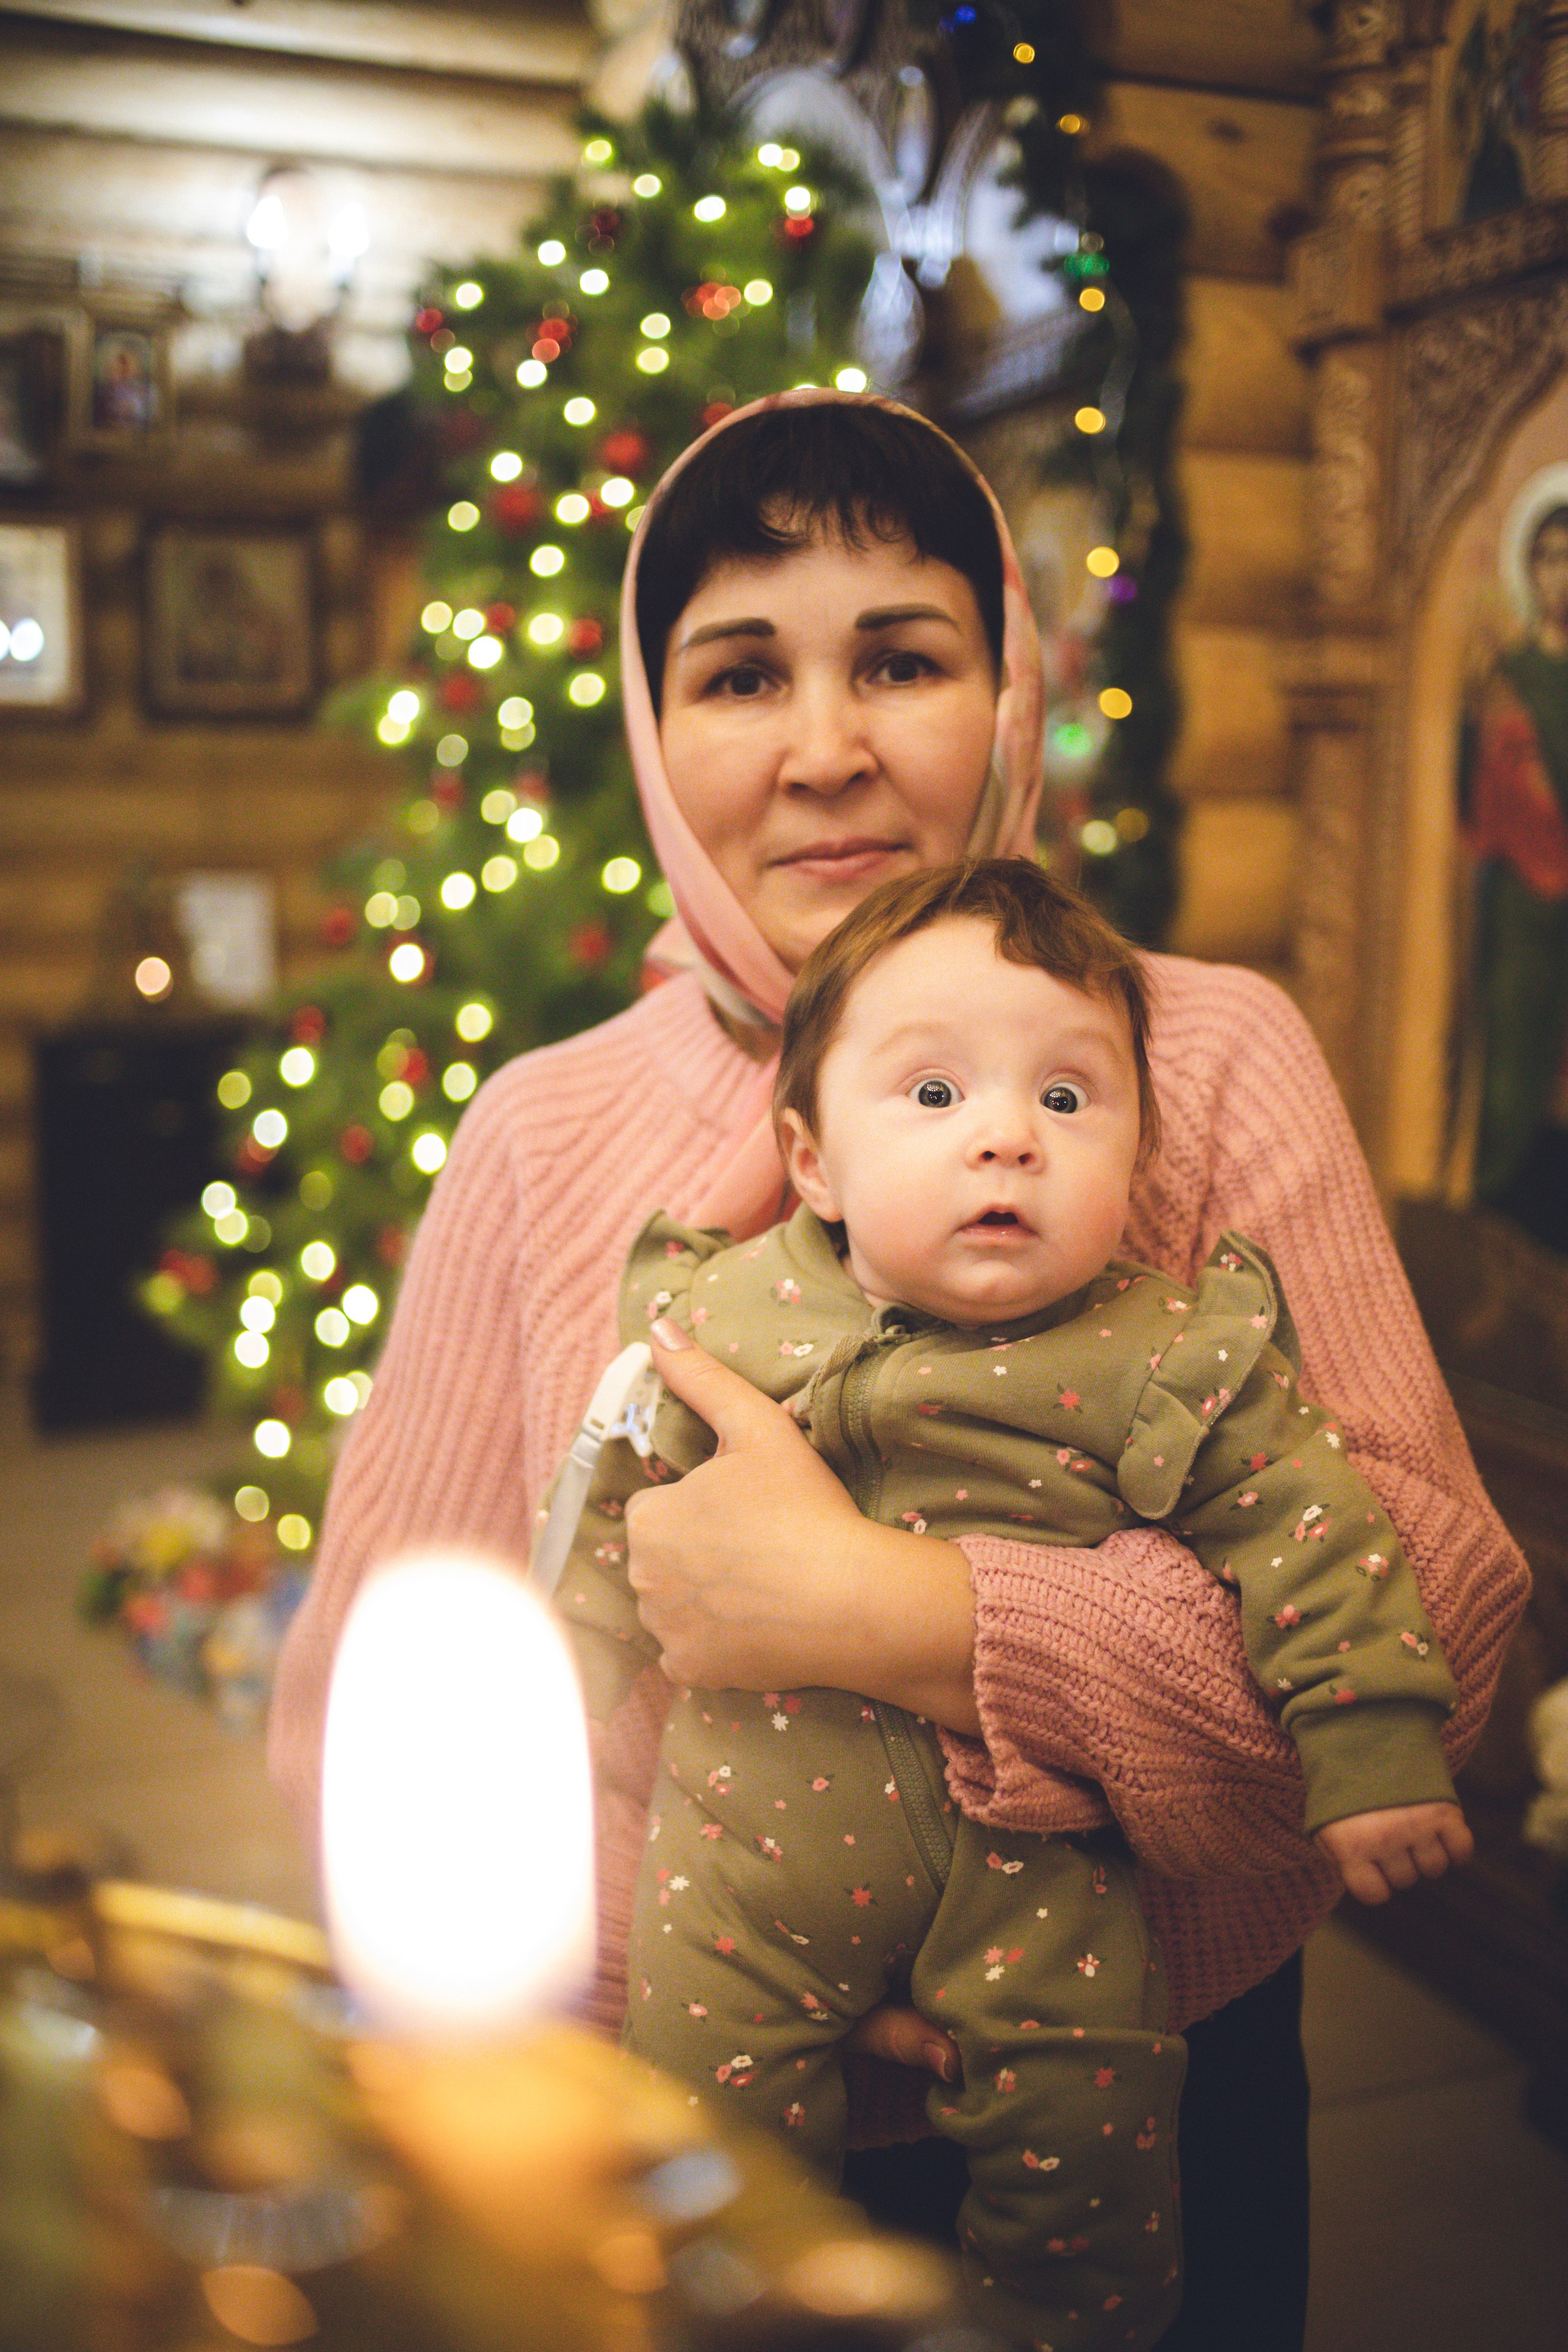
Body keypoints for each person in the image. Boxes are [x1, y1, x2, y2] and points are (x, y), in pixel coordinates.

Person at [268, 392, 1529, 2352]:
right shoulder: (540, 1132)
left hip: (1156, 2083)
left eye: (903, 657)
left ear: (1011, 686)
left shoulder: (1196, 1057)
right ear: (653, 726)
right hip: (689, 2086)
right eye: (741, 671)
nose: (827, 746)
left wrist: (905, 1616)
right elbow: (389, 1679)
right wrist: (737, 1955)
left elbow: (1439, 1611)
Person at [551, 856, 1470, 2350]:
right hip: (742, 1869)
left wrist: (1367, 1745)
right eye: (931, 1097)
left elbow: (1318, 1531)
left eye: (1065, 1098)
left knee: (1093, 2175)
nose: (1003, 1138)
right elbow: (609, 1519)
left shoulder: (1166, 1346)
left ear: (1136, 1154)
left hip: (1041, 1861)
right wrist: (559, 1690)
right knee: (694, 2190)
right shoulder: (726, 1315)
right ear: (811, 1163)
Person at [1460, 496, 1568, 1251]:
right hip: (1526, 912)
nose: (1561, 576)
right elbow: (1488, 800)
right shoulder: (1507, 677)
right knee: (1516, 1070)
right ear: (1528, 571)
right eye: (1549, 557)